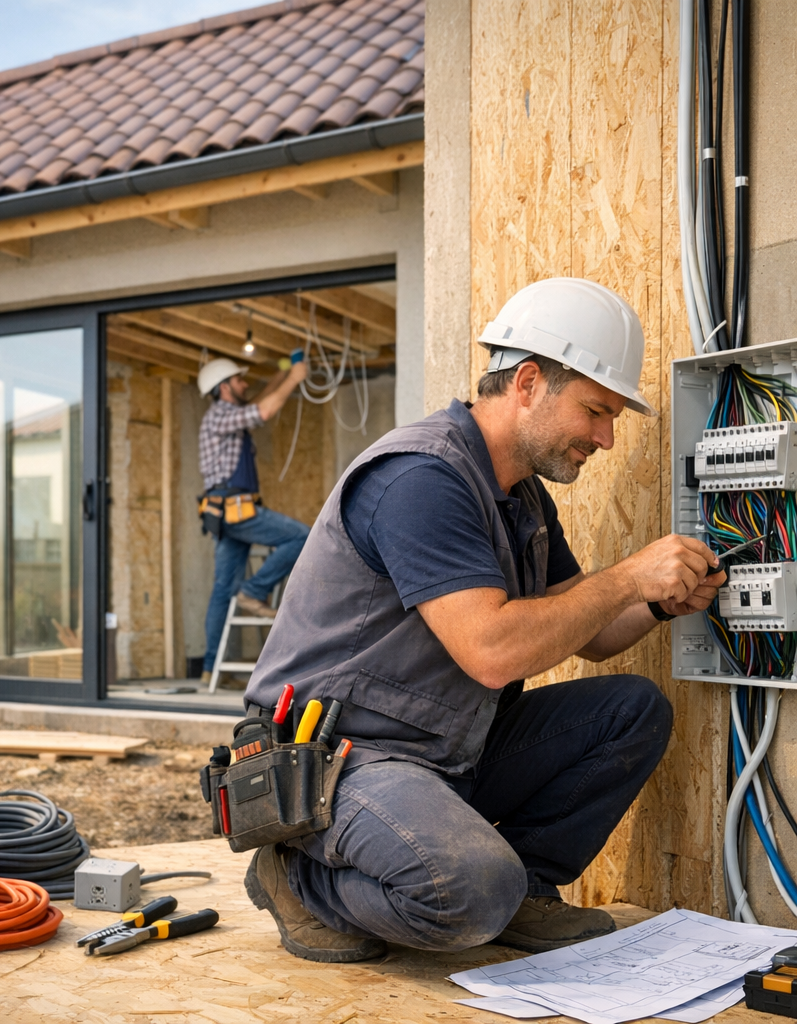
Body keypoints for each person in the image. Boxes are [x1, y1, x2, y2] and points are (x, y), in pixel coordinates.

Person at [241, 278, 727, 962]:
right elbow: (492, 651)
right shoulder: (420, 479)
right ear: (528, 381)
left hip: (446, 748)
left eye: (613, 417)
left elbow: (588, 636)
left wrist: (652, 601)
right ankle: (294, 874)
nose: (607, 438)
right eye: (595, 410)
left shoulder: (518, 496)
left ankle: (525, 886)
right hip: (339, 761)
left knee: (631, 708)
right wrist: (624, 576)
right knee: (469, 894)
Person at [197, 356, 311, 686]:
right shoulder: (220, 414)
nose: (245, 384)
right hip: (235, 509)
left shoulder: (227, 415)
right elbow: (262, 411)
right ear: (224, 388)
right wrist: (295, 378)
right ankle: (254, 591)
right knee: (301, 537)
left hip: (225, 515)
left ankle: (209, 670)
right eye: (239, 380)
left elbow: (258, 402)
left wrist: (283, 374)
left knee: (221, 591)